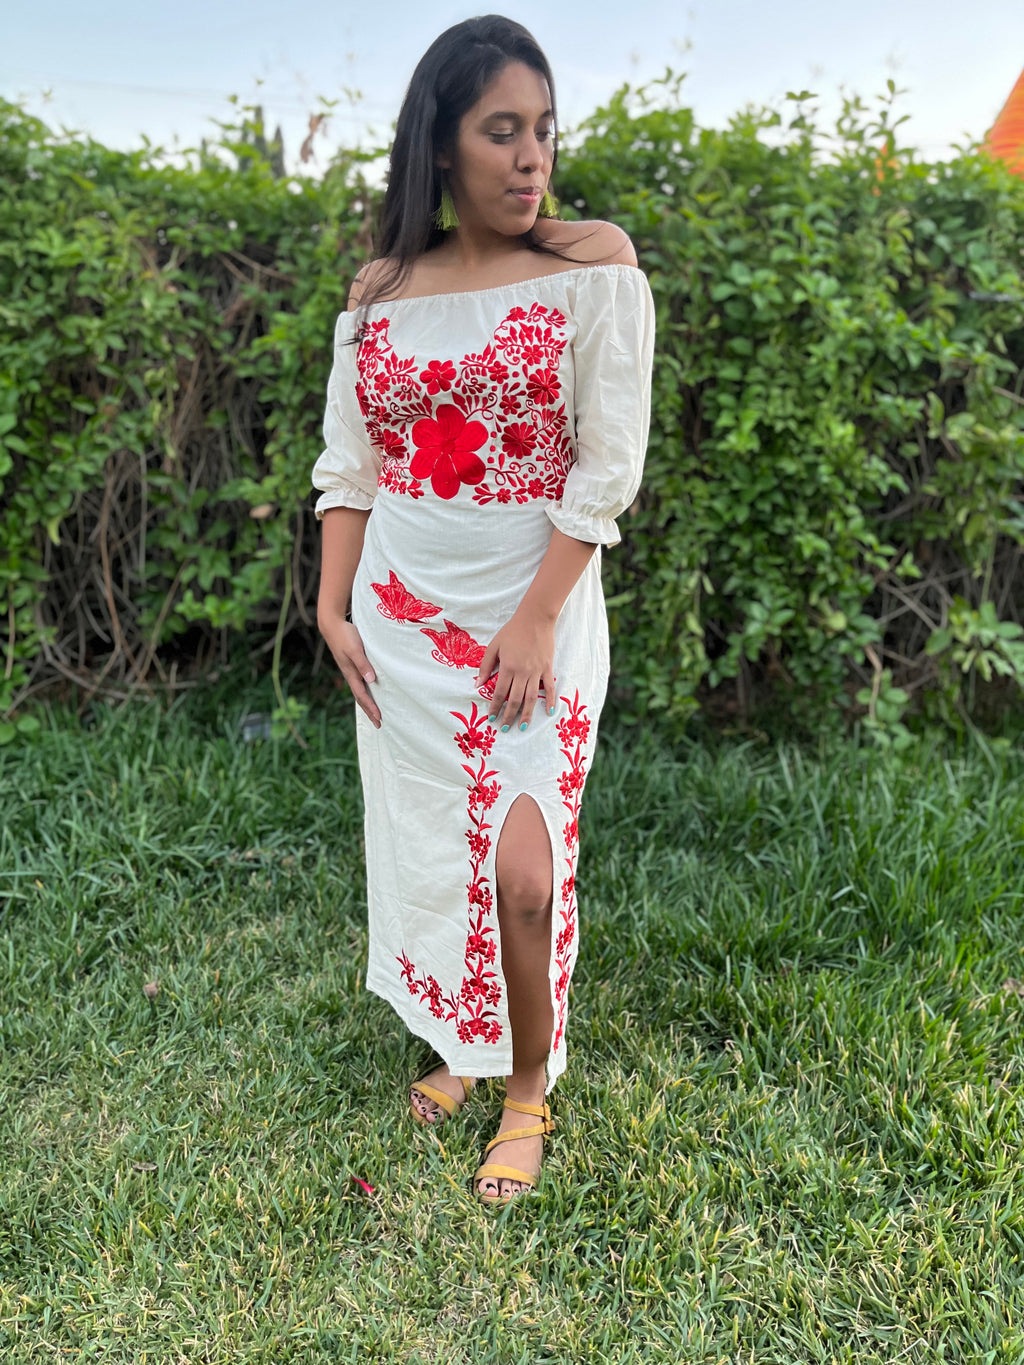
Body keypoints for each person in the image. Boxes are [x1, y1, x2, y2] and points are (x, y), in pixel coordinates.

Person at [312, 14, 654, 1204]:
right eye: (500, 131)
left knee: (519, 863)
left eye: (544, 132)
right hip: (401, 617)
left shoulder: (592, 265)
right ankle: (455, 1045)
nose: (530, 159)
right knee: (426, 842)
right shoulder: (382, 288)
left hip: (534, 620)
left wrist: (538, 616)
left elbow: (605, 471)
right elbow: (351, 466)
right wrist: (331, 604)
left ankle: (524, 1088)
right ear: (438, 148)